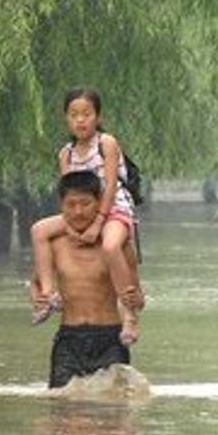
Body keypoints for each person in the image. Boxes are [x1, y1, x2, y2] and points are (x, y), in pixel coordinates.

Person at [29, 87, 144, 343]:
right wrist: (70, 227)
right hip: (82, 212)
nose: (80, 120)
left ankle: (130, 317)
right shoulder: (66, 154)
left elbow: (112, 184)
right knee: (39, 230)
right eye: (74, 115)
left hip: (114, 209)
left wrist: (99, 223)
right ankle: (49, 295)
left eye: (87, 114)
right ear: (66, 119)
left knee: (112, 245)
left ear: (98, 117)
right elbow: (67, 193)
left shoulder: (107, 143)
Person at [42, 171, 135, 388]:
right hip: (69, 340)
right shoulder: (53, 245)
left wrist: (132, 301)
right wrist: (43, 298)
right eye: (71, 204)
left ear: (100, 203)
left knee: (114, 412)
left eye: (85, 203)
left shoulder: (117, 245)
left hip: (110, 339)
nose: (78, 211)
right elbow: (38, 285)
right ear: (61, 205)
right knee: (62, 410)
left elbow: (137, 296)